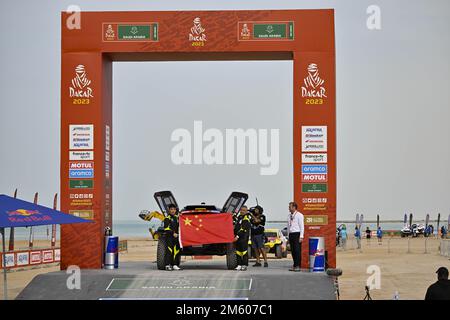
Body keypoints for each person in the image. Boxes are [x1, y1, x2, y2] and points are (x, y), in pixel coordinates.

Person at [163, 204, 181, 271]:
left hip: (176, 238)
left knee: (176, 251)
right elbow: (166, 228)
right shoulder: (167, 218)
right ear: (169, 210)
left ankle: (174, 265)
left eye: (174, 209)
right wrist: (173, 233)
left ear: (176, 210)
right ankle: (167, 265)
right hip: (169, 237)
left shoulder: (177, 218)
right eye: (171, 209)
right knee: (169, 251)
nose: (173, 211)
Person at [287, 202, 304, 272]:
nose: (289, 208)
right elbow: (288, 226)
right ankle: (295, 265)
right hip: (291, 234)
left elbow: (302, 226)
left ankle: (298, 266)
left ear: (294, 207)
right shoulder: (288, 216)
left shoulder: (299, 215)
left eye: (290, 207)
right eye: (289, 206)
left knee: (297, 251)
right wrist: (288, 236)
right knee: (293, 251)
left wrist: (301, 236)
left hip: (297, 234)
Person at [234, 206, 251, 271]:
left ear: (246, 211)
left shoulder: (246, 218)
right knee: (238, 252)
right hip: (238, 238)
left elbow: (243, 229)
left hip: (243, 238)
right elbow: (236, 226)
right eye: (241, 210)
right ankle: (239, 265)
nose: (242, 211)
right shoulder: (239, 217)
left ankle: (244, 265)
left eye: (244, 210)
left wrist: (237, 236)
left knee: (244, 252)